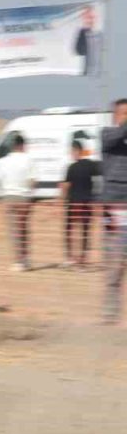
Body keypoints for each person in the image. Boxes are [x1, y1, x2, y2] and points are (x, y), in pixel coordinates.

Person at [101, 99, 127, 325]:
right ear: (115, 116)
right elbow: (116, 137)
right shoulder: (108, 134)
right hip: (114, 208)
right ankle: (110, 313)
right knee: (115, 261)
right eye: (125, 114)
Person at [0, 134, 36, 271]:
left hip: (9, 197)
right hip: (24, 197)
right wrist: (29, 193)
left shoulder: (3, 161)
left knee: (14, 230)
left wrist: (0, 192)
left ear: (13, 146)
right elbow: (33, 181)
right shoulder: (29, 159)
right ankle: (26, 259)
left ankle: (18, 261)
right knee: (24, 229)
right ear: (23, 145)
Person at [61, 139, 101, 268]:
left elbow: (66, 186)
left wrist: (62, 200)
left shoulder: (71, 167)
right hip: (87, 202)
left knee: (69, 230)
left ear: (76, 151)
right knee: (85, 232)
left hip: (74, 203)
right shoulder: (91, 165)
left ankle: (70, 258)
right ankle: (82, 260)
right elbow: (101, 175)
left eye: (72, 151)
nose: (71, 154)